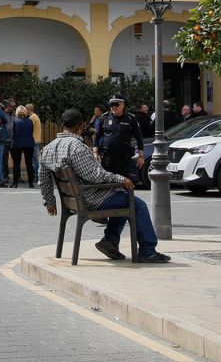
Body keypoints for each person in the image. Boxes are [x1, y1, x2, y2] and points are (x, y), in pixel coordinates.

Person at [41, 108, 169, 264]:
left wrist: (50, 202)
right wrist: (120, 179)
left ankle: (110, 242)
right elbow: (94, 176)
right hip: (91, 199)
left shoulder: (47, 149)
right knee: (137, 204)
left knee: (122, 197)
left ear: (63, 125)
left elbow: (43, 178)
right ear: (81, 126)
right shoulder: (76, 147)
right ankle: (148, 252)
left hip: (74, 199)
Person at [93, 96, 144, 181]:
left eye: (116, 104)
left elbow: (139, 137)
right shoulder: (104, 118)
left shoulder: (130, 119)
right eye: (111, 104)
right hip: (107, 157)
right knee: (107, 183)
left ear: (122, 105)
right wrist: (95, 152)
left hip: (123, 158)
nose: (113, 107)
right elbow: (97, 135)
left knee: (124, 182)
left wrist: (141, 156)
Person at [9, 105, 38, 187]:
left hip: (17, 144)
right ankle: (31, 183)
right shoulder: (30, 121)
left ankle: (15, 183)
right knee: (29, 164)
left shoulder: (15, 121)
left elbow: (13, 133)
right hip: (29, 144)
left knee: (16, 164)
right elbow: (31, 131)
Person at [26, 104, 44, 180]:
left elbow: (29, 129)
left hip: (33, 140)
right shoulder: (35, 116)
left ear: (29, 109)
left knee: (34, 159)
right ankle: (37, 175)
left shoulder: (32, 117)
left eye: (26, 109)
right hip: (36, 140)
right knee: (35, 158)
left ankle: (37, 176)